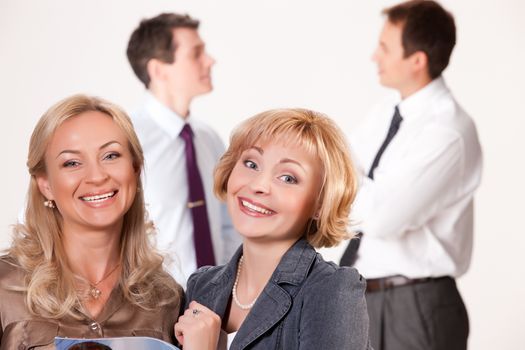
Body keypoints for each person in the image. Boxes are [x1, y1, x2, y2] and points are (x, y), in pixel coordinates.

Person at [338, 1, 483, 349]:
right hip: (367, 299)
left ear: (417, 61)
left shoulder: (447, 131)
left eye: (385, 48)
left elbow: (381, 218)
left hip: (414, 306)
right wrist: (358, 184)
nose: (375, 56)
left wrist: (348, 181)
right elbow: (336, 164)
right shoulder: (386, 111)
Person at [175, 109, 371, 350]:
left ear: (320, 204)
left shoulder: (331, 291)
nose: (259, 185)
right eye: (251, 163)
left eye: (288, 178)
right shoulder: (201, 285)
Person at [0, 95, 183, 346]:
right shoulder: (4, 287)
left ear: (135, 168)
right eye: (72, 162)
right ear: (45, 184)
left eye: (110, 156)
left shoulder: (167, 300)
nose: (96, 177)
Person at [126, 13, 240, 286]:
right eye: (196, 53)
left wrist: (220, 284)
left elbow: (230, 223)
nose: (210, 61)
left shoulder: (208, 139)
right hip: (152, 306)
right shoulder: (127, 141)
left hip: (213, 305)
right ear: (158, 70)